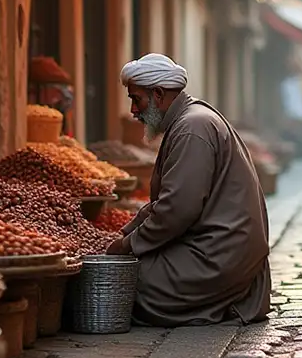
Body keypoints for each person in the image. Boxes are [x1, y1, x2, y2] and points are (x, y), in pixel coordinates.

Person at [107, 53, 271, 327]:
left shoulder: (191, 127)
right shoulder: (189, 120)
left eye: (137, 100)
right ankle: (219, 300)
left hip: (218, 256)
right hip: (221, 249)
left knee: (122, 285)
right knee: (126, 275)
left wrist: (127, 245)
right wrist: (128, 231)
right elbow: (169, 200)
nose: (134, 111)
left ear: (158, 94)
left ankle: (222, 299)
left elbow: (176, 209)